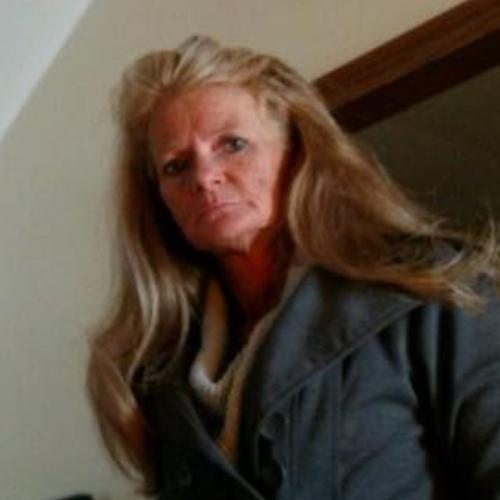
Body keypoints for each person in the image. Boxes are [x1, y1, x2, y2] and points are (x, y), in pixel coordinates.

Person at [87, 35, 500, 500]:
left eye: (233, 144)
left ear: (298, 153)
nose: (204, 177)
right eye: (176, 166)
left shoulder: (427, 287)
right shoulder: (160, 378)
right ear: (158, 198)